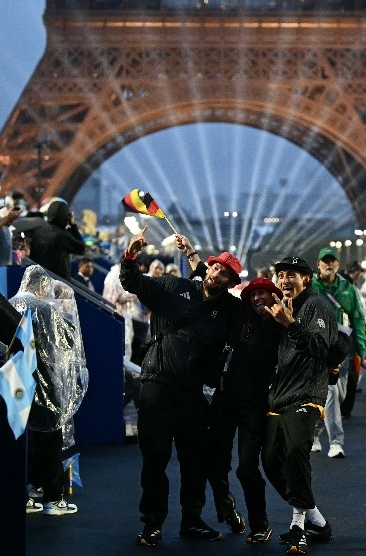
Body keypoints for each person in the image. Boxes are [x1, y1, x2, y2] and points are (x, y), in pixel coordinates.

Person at [120, 226, 243, 547]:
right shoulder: (172, 286)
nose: (217, 274)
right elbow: (131, 282)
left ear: (231, 282)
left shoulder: (229, 310)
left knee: (194, 462)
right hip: (157, 385)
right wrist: (131, 254)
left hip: (192, 393)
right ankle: (152, 524)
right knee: (155, 460)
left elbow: (255, 308)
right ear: (210, 269)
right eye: (216, 267)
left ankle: (192, 520)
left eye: (226, 273)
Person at [262, 256, 338, 555]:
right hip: (278, 396)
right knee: (270, 462)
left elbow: (322, 349)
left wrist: (292, 325)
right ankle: (316, 520)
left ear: (306, 279)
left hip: (307, 393)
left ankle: (298, 525)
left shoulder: (317, 306)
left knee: (295, 453)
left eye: (291, 274)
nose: (284, 280)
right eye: (280, 274)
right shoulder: (277, 306)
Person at [207, 276, 283, 544]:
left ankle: (260, 524)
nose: (257, 297)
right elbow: (212, 284)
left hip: (255, 405)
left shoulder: (282, 326)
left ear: (273, 296)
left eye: (262, 293)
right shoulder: (240, 315)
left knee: (247, 468)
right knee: (214, 464)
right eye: (253, 294)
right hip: (225, 400)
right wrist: (192, 256)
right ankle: (229, 509)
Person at [11, 266, 87, 517]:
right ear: (42, 285)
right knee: (50, 440)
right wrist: (65, 311)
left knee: (25, 441)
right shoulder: (45, 309)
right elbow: (66, 345)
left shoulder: (11, 303)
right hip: (45, 384)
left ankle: (28, 493)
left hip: (16, 384)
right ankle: (53, 499)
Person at [310, 246, 366, 458]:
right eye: (325, 261)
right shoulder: (310, 287)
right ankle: (336, 441)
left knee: (339, 395)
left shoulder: (347, 288)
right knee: (332, 393)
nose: (329, 264)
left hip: (343, 347)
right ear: (318, 265)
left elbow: (357, 319)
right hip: (318, 348)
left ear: (337, 264)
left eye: (332, 261)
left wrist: (362, 350)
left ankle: (314, 433)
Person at [25, 200, 85, 280]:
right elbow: (81, 248)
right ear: (65, 216)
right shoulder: (63, 236)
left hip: (39, 279)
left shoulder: (37, 231)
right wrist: (73, 226)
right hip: (58, 281)